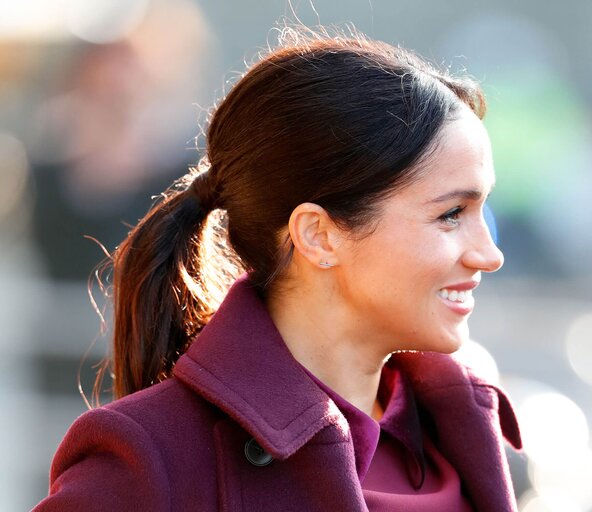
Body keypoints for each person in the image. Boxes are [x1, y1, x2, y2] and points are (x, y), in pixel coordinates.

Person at [34, 27, 522, 512]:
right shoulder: (147, 459)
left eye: (483, 212)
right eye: (451, 214)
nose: (489, 253)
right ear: (318, 235)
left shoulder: (462, 424)